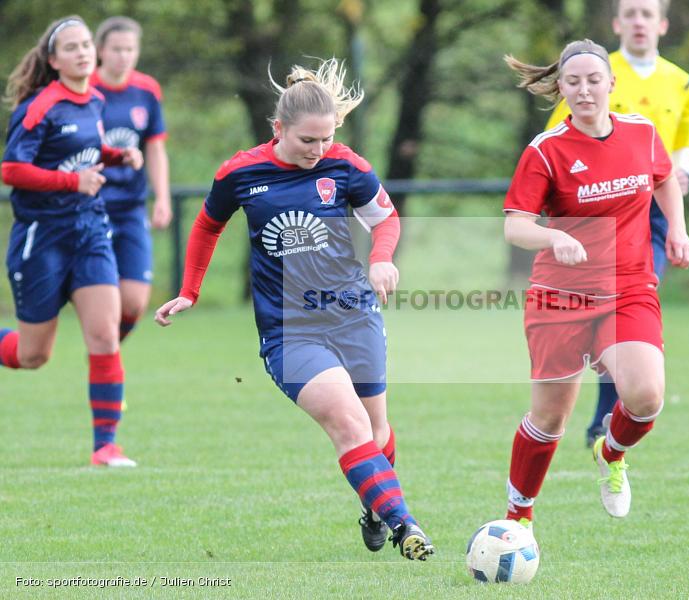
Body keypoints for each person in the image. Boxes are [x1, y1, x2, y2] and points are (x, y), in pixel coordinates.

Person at [153, 59, 434, 560]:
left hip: (353, 315)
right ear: (278, 128)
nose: (318, 150)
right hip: (291, 331)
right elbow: (206, 226)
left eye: (325, 139)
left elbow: (386, 220)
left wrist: (382, 259)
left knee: (376, 430)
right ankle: (403, 523)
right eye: (307, 141)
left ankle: (375, 506)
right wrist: (190, 291)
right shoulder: (240, 172)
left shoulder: (346, 165)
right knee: (348, 425)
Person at [502, 39, 689, 523]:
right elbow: (515, 225)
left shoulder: (642, 133)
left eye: (593, 80)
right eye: (573, 82)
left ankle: (611, 453)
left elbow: (664, 178)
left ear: (611, 83)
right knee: (549, 419)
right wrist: (552, 236)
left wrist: (677, 228)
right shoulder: (545, 151)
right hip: (560, 297)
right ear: (561, 89)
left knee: (646, 396)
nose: (584, 90)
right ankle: (517, 518)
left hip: (628, 287)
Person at [546, 0, 689, 448]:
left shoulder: (682, 82)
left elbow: (683, 141)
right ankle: (603, 421)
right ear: (616, 23)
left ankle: (606, 422)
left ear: (662, 24)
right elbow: (562, 139)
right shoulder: (593, 70)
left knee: (631, 302)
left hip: (651, 210)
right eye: (630, 13)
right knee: (616, 305)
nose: (638, 21)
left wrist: (681, 180)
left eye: (647, 13)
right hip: (600, 212)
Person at [0, 16, 143, 467]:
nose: (83, 52)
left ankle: (106, 446)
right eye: (71, 47)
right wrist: (71, 183)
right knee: (33, 355)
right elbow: (11, 170)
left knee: (104, 336)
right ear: (53, 60)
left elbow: (83, 149)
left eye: (86, 45)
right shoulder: (40, 106)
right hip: (43, 236)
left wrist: (117, 156)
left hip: (90, 231)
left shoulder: (95, 101)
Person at [91, 16, 171, 341]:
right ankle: (104, 358)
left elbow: (155, 148)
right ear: (100, 51)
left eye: (130, 49)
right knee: (103, 297)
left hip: (130, 207)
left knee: (135, 302)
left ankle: (106, 353)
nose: (124, 56)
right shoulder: (86, 89)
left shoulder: (146, 89)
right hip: (91, 206)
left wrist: (162, 197)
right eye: (117, 49)